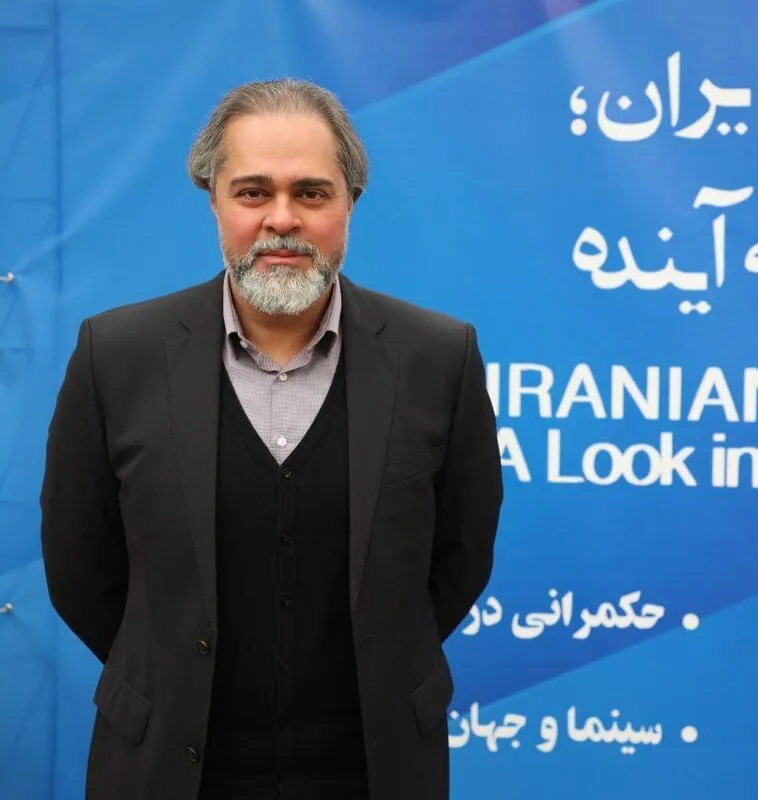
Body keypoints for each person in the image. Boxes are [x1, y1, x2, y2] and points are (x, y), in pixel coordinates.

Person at [39, 77, 503, 800]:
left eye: (311, 193)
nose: (281, 220)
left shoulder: (439, 359)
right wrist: (168, 673)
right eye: (253, 192)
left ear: (350, 203)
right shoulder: (116, 356)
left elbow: (459, 559)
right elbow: (80, 569)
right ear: (214, 201)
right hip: (165, 770)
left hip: (372, 771)